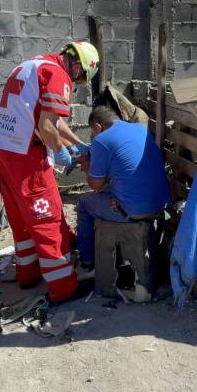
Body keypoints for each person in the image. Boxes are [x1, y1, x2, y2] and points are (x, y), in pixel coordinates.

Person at [0, 40, 99, 302]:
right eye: (80, 78)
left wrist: (77, 144)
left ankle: (29, 274)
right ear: (80, 69)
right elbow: (47, 127)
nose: (77, 82)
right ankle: (63, 287)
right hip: (25, 154)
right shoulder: (58, 75)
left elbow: (53, 120)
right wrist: (60, 151)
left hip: (3, 149)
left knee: (21, 216)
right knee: (47, 216)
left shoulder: (32, 65)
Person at [75, 105, 170, 271]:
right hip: (161, 204)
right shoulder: (140, 128)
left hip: (135, 212)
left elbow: (95, 185)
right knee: (110, 191)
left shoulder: (101, 140)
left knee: (84, 202)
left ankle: (87, 261)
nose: (93, 136)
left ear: (98, 126)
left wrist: (87, 165)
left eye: (93, 131)